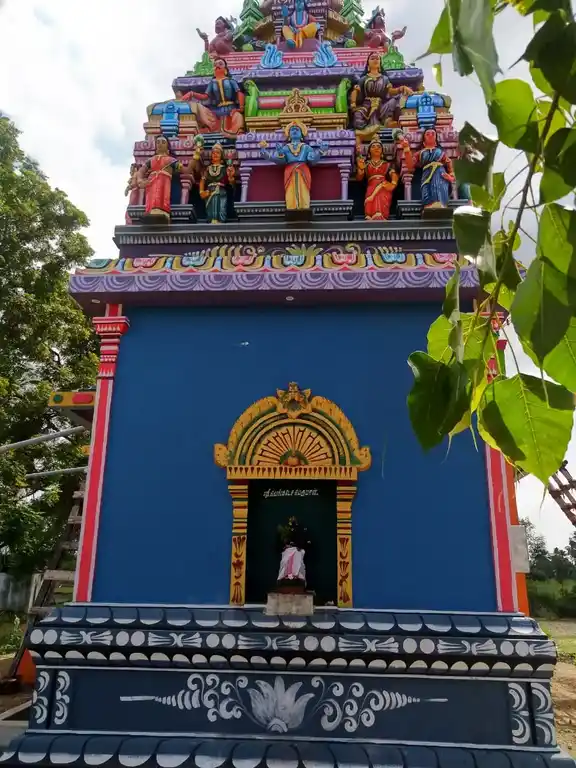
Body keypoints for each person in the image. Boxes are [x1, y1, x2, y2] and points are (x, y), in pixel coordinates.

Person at [260, 121, 328, 211]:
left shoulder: (306, 147)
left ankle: (304, 207)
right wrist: (267, 154)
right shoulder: (285, 148)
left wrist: (321, 151)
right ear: (288, 134)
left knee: (303, 190)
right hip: (289, 171)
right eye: (292, 130)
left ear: (302, 134)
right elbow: (280, 161)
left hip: (303, 171)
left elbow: (312, 161)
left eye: (297, 130)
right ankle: (291, 208)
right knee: (290, 191)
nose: (294, 131)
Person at [351, 52, 412, 139]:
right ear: (368, 63)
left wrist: (401, 88)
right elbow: (356, 91)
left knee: (395, 99)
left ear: (380, 62)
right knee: (357, 115)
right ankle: (365, 129)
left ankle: (387, 121)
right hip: (367, 106)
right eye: (372, 58)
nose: (375, 60)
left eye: (377, 58)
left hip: (381, 106)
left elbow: (390, 91)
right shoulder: (364, 79)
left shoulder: (385, 78)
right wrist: (353, 104)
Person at [178, 59, 245, 137]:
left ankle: (237, 134)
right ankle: (206, 129)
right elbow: (205, 96)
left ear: (225, 69)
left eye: (220, 64)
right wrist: (192, 93)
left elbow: (239, 93)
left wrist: (241, 108)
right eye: (215, 65)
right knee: (198, 107)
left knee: (238, 117)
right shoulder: (212, 83)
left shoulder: (231, 80)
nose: (217, 66)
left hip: (231, 109)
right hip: (216, 111)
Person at [401, 129, 455, 209]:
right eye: (428, 134)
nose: (430, 135)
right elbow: (410, 167)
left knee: (438, 187)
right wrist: (406, 149)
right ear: (423, 141)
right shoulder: (419, 153)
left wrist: (451, 177)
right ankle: (429, 205)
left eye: (433, 133)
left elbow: (449, 164)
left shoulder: (441, 153)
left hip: (440, 174)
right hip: (426, 174)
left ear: (436, 140)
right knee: (426, 190)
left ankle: (440, 204)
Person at [137, 136, 185, 223]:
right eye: (158, 142)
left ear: (167, 147)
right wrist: (140, 180)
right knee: (151, 195)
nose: (160, 144)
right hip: (151, 182)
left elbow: (187, 170)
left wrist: (196, 156)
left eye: (163, 142)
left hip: (164, 182)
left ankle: (163, 212)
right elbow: (141, 171)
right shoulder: (151, 160)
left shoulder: (171, 160)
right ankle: (150, 211)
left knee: (162, 194)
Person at [356, 138, 399, 220]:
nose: (376, 148)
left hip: (383, 186)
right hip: (371, 186)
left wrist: (393, 183)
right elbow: (359, 178)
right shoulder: (366, 164)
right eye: (373, 147)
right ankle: (369, 215)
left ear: (382, 152)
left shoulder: (387, 164)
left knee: (381, 195)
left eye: (379, 147)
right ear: (369, 152)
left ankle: (380, 215)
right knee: (370, 200)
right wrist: (360, 168)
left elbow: (393, 174)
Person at [199, 144, 235, 224]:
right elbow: (202, 180)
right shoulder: (207, 169)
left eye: (218, 153)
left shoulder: (225, 169)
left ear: (221, 155)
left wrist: (231, 177)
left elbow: (232, 184)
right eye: (213, 153)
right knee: (210, 214)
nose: (215, 154)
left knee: (221, 212)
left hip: (221, 193)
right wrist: (201, 192)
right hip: (209, 193)